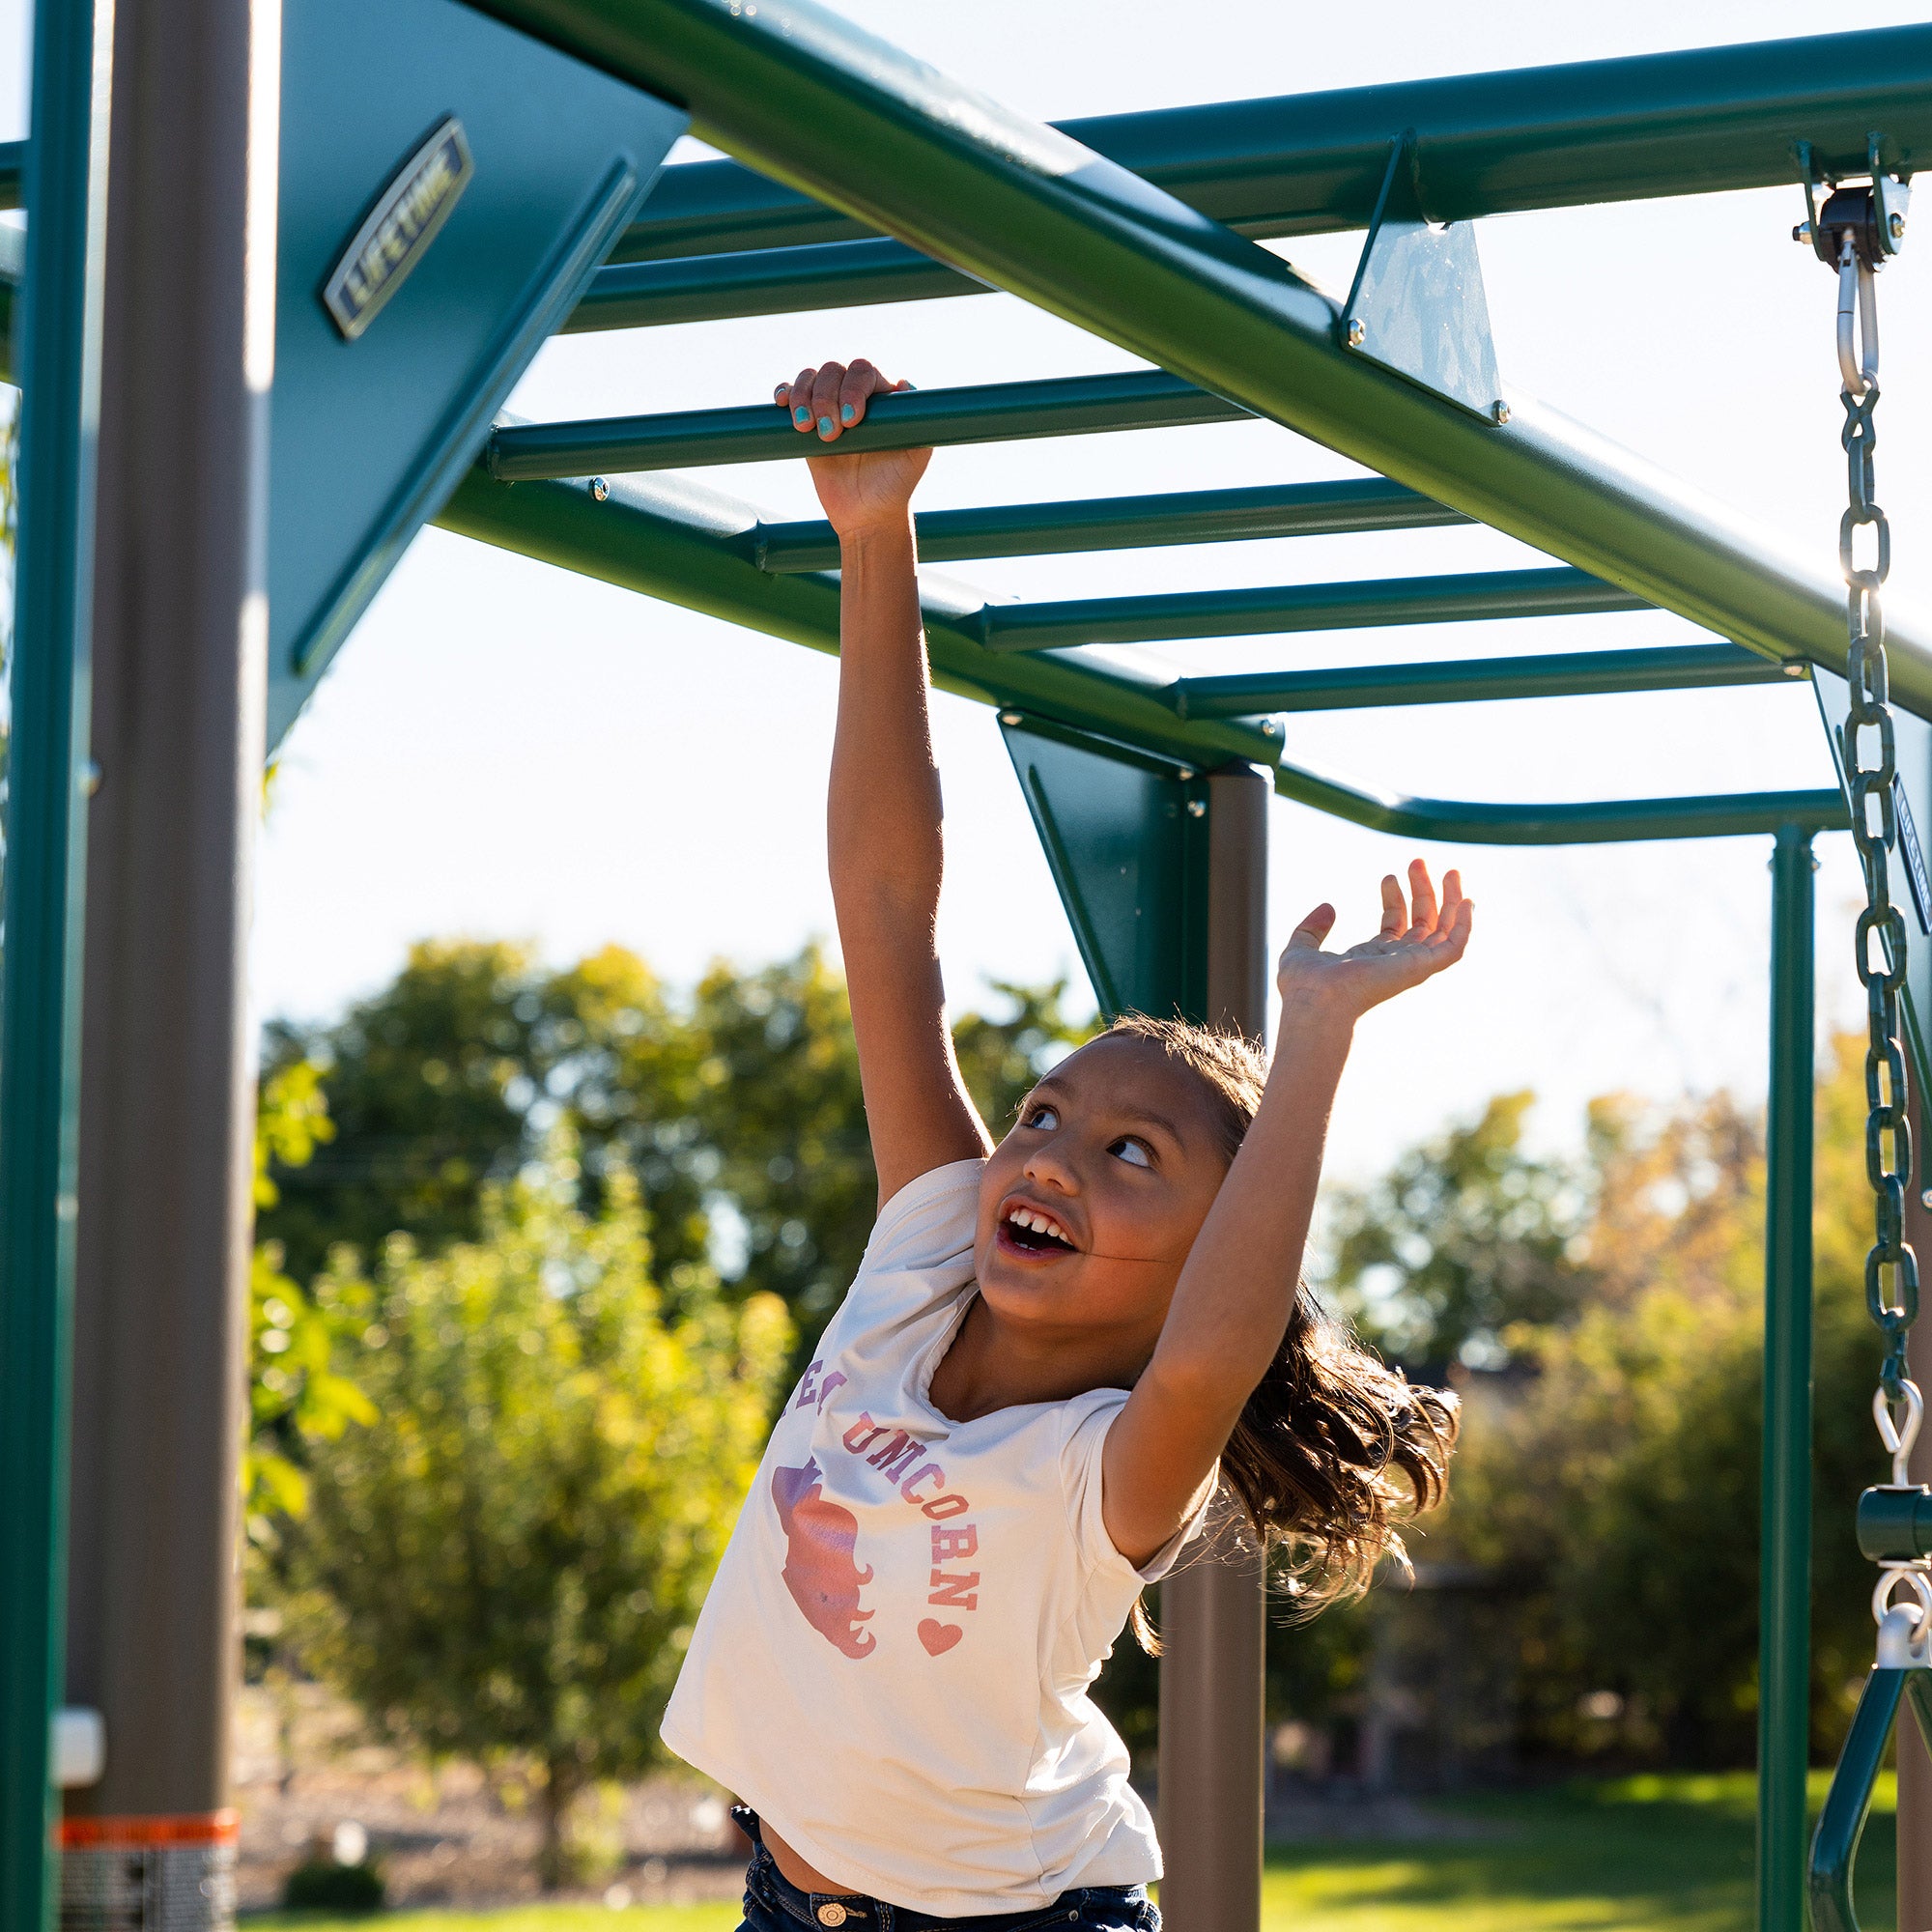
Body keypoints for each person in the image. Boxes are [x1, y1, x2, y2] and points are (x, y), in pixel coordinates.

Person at [661, 357, 1471, 1932]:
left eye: (1129, 1159)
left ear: (1194, 1265)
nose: (1047, 1154)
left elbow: (1218, 1350)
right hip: (793, 1899)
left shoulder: (1109, 1468)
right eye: (1046, 1114)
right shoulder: (921, 1257)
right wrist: (877, 538)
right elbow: (889, 919)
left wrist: (1314, 1035)